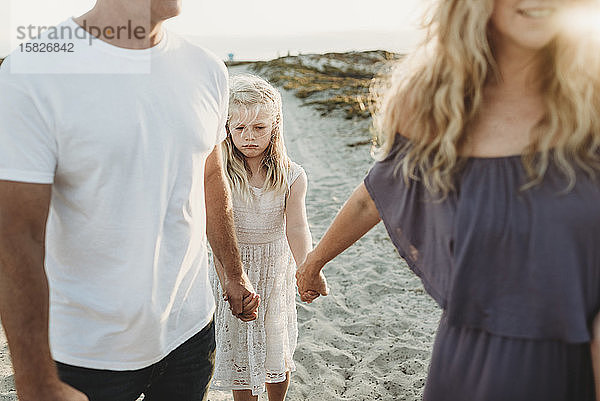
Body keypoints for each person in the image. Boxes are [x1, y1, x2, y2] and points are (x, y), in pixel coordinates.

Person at [296, 0, 600, 400]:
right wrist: (313, 263)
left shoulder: (592, 102)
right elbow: (374, 195)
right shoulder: (431, 105)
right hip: (471, 362)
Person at [0, 1, 259, 401]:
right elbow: (16, 235)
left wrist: (233, 272)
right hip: (84, 352)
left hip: (189, 333)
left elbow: (208, 175)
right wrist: (35, 383)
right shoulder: (32, 72)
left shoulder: (207, 69)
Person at [210, 74, 313, 401]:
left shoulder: (292, 175)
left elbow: (296, 227)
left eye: (259, 128)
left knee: (276, 348)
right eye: (239, 128)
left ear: (275, 127)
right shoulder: (219, 173)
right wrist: (228, 276)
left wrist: (305, 267)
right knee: (242, 352)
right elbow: (213, 229)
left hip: (274, 273)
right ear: (226, 128)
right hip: (231, 268)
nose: (249, 137)